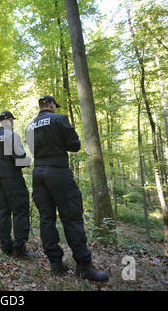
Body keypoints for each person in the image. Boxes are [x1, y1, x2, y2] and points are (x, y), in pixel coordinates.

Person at [26, 95, 108, 282]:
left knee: (46, 218)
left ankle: (56, 264)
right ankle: (84, 266)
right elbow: (75, 145)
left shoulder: (30, 125)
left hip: (38, 173)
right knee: (71, 216)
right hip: (58, 172)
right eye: (55, 105)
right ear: (52, 105)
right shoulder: (59, 119)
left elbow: (32, 148)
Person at [0, 111, 34, 258]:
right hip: (13, 177)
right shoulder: (12, 136)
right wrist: (28, 161)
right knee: (20, 211)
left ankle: (6, 245)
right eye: (12, 119)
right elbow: (20, 157)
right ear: (9, 120)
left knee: (4, 212)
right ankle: (20, 249)